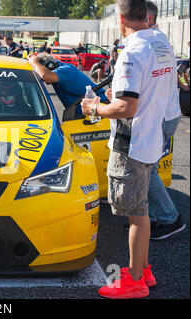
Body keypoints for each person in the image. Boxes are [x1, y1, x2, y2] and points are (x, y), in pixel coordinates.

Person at [81, 0, 177, 299]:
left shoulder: (131, 52)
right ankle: (142, 269)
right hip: (151, 137)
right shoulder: (161, 41)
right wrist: (117, 96)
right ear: (147, 17)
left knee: (137, 214)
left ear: (120, 18)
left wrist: (95, 107)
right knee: (141, 211)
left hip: (131, 143)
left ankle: (135, 281)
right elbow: (142, 91)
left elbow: (126, 107)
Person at [145, 0, 186, 240]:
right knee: (146, 168)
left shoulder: (152, 41)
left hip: (161, 116)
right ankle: (149, 217)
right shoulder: (158, 40)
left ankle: (170, 218)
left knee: (146, 169)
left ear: (147, 19)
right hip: (166, 114)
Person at [28, 52, 108, 115]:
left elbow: (45, 76)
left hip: (101, 106)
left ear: (50, 65)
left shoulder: (66, 70)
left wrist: (34, 62)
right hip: (88, 112)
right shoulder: (60, 70)